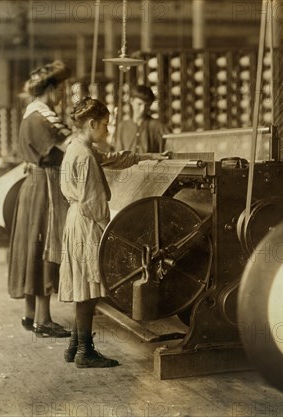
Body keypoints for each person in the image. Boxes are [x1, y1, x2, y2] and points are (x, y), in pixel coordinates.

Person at [58, 97, 167, 368]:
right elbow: (94, 203)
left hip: (77, 220)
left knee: (85, 285)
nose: (108, 130)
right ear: (92, 124)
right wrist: (113, 231)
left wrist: (148, 157)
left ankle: (75, 344)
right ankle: (85, 351)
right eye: (105, 125)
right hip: (87, 223)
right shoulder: (83, 156)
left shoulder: (77, 147)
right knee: (90, 288)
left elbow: (111, 159)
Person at [8, 60, 72, 338]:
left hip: (33, 186)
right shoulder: (43, 118)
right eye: (62, 89)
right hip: (45, 187)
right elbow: (72, 146)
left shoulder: (30, 115)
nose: (64, 94)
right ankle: (44, 321)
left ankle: (30, 313)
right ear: (51, 89)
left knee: (31, 246)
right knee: (48, 245)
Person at [115, 85, 169, 153]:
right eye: (139, 104)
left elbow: (171, 146)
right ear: (131, 101)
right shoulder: (123, 126)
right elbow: (118, 155)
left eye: (146, 105)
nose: (143, 109)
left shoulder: (157, 126)